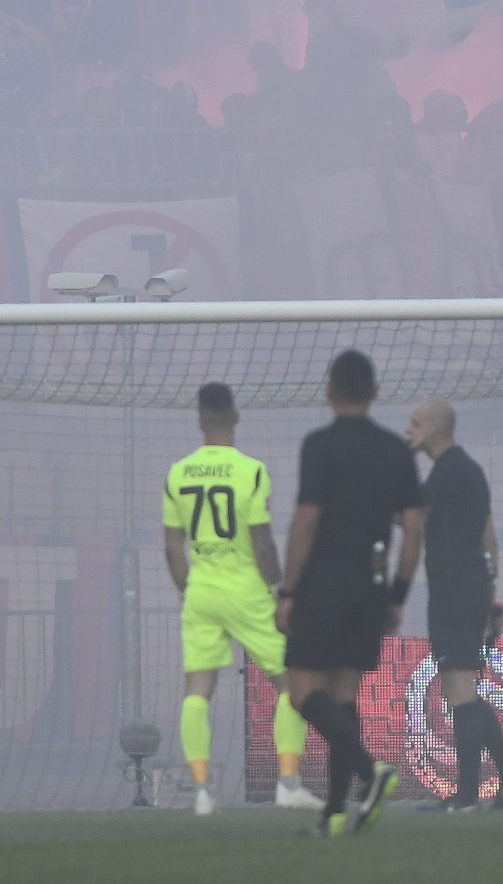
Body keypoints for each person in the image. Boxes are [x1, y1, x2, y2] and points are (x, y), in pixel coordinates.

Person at [276, 349, 423, 837]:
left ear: (329, 390)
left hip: (323, 582)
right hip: (370, 585)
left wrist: (289, 590)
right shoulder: (396, 451)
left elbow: (307, 520)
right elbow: (413, 528)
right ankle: (335, 814)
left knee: (302, 693)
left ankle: (371, 771)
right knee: (343, 698)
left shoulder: (319, 445)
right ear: (375, 392)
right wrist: (397, 595)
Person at [162, 382, 322, 815]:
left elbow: (173, 548)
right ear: (236, 416)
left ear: (199, 420)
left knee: (197, 690)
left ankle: (201, 792)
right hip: (247, 590)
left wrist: (189, 591)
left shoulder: (177, 473)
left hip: (202, 592)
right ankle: (288, 783)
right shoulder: (251, 471)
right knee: (292, 682)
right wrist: (278, 591)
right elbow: (263, 540)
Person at [405, 397, 503, 813]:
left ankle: (468, 794)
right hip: (470, 590)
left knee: (459, 689)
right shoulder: (469, 471)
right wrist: (490, 595)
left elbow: (408, 516)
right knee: (465, 690)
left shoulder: (448, 471)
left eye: (415, 423)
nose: (409, 431)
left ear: (435, 428)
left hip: (454, 592)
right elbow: (488, 538)